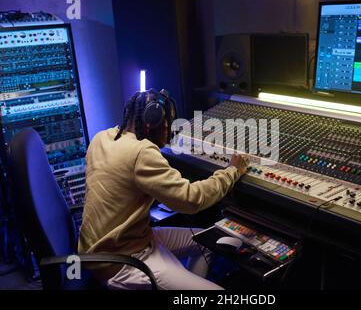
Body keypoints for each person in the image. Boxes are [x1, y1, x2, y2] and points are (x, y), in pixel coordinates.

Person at [78, 89, 249, 290]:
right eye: (167, 125)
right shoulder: (142, 152)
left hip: (112, 245)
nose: (169, 132)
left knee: (207, 241)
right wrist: (231, 171)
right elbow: (191, 200)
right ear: (152, 122)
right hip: (120, 261)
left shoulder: (101, 138)